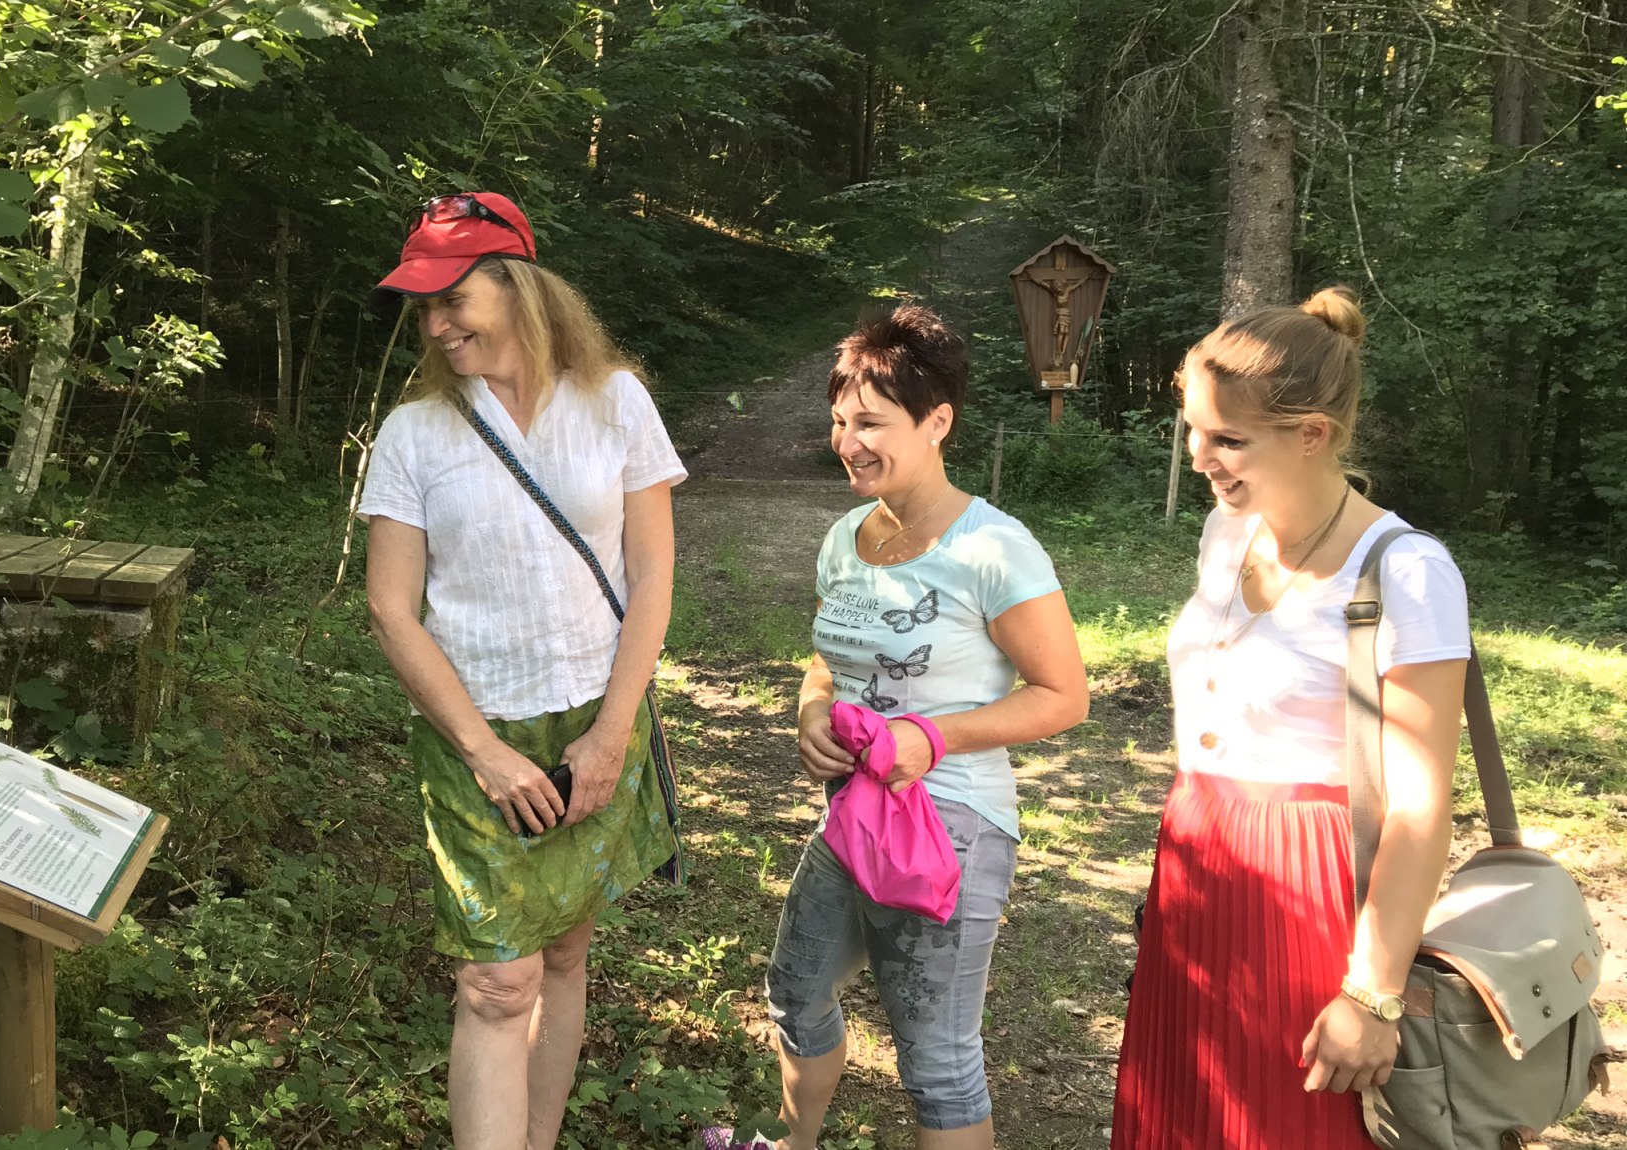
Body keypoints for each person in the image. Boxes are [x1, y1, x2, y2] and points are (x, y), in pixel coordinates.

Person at [359, 192, 684, 1150]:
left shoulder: (615, 402)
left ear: (522, 286)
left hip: (598, 715)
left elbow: (654, 567)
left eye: (453, 296)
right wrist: (484, 752)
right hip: (476, 735)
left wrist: (613, 731)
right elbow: (389, 606)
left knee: (569, 951)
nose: (435, 323)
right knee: (498, 981)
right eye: (423, 306)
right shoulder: (416, 434)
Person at [721, 305, 1089, 1150]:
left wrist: (934, 738)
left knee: (936, 1059)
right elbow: (827, 661)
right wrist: (812, 706)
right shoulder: (848, 536)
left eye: (872, 424)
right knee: (795, 989)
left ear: (938, 423)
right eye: (840, 420)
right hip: (853, 817)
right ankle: (791, 1143)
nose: (847, 441)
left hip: (952, 825)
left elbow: (1065, 696)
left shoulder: (996, 548)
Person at [1111, 287, 1471, 1149]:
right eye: (1194, 429)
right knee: (1183, 1117)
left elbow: (1422, 808)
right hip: (1199, 860)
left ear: (1312, 434)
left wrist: (1373, 992)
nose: (1201, 456)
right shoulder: (1228, 534)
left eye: (1229, 439)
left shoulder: (1408, 573)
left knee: (1286, 1124)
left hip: (1310, 890)